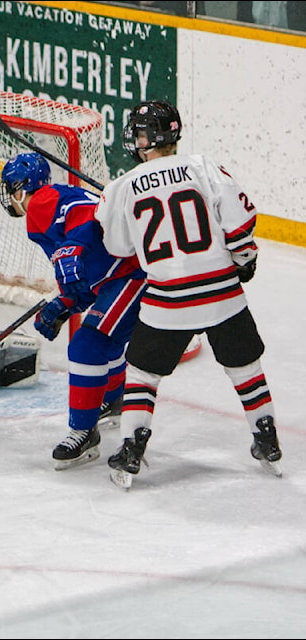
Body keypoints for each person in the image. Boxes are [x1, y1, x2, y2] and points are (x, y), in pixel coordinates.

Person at [95, 99, 282, 488]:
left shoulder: (121, 187)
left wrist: (112, 208)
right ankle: (266, 437)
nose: (137, 139)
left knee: (143, 374)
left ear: (155, 137)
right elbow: (240, 219)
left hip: (168, 298)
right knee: (245, 366)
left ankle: (131, 447)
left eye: (142, 132)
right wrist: (244, 258)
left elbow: (120, 247)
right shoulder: (204, 167)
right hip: (222, 291)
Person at [0, 152, 148, 470]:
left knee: (86, 344)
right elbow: (80, 278)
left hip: (130, 276)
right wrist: (63, 302)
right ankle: (113, 398)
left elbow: (84, 215)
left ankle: (84, 431)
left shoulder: (43, 201)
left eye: (10, 188)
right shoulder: (51, 204)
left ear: (22, 189)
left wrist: (71, 249)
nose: (9, 196)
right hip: (122, 276)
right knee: (104, 341)